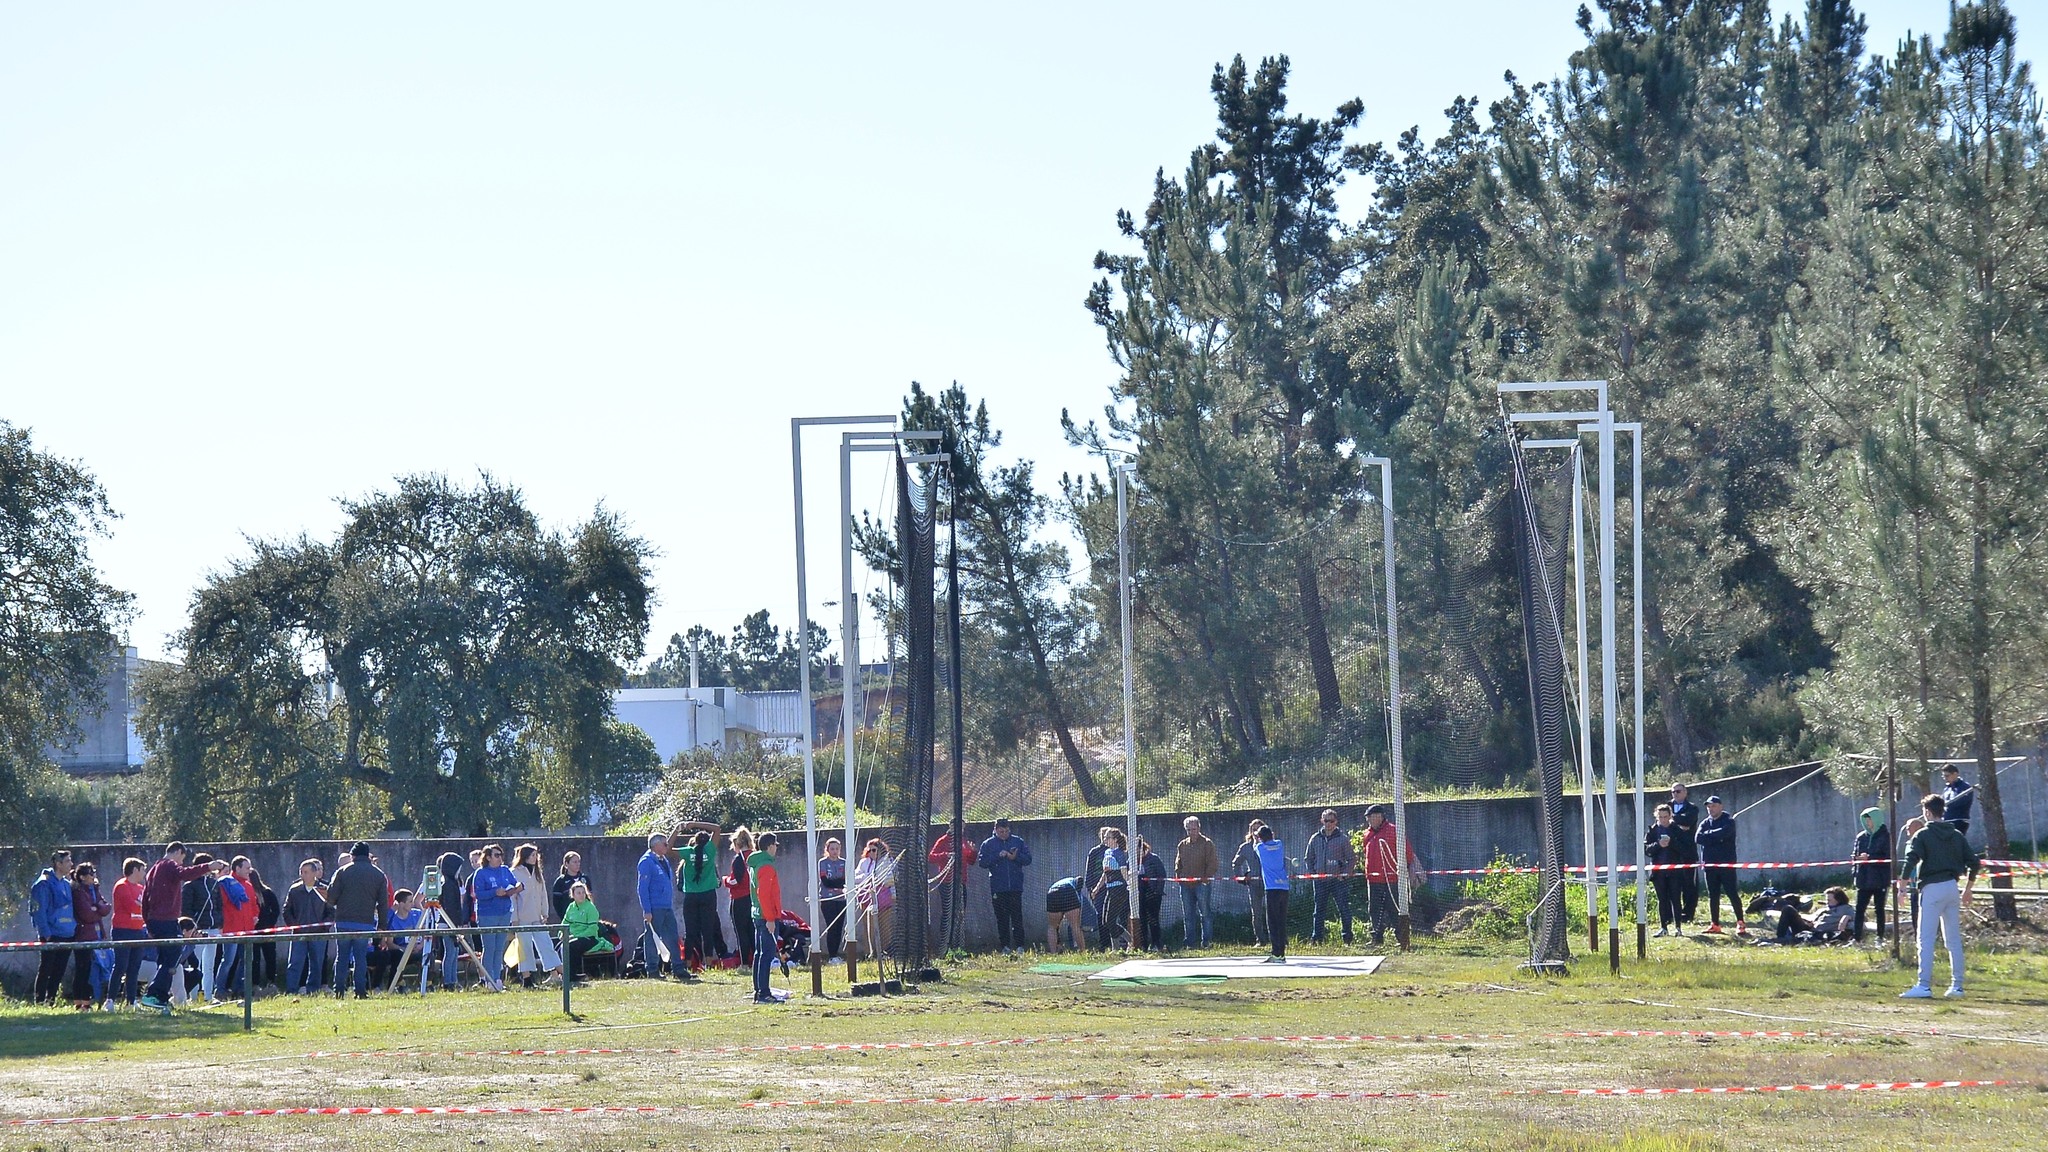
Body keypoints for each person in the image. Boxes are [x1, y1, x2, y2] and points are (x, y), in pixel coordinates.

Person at [1899, 792, 1983, 999]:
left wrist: (1901, 887)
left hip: (1932, 888)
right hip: (1952, 887)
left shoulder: (1923, 835)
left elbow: (1910, 860)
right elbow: (1974, 862)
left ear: (1927, 812)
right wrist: (1968, 888)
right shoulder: (1956, 835)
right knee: (1953, 939)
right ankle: (1957, 986)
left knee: (1925, 938)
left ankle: (1924, 985)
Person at [140, 842, 213, 1010]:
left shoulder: (153, 870)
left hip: (155, 921)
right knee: (173, 957)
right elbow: (185, 874)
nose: (181, 863)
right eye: (182, 859)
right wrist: (208, 866)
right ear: (179, 852)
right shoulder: (169, 865)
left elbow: (145, 898)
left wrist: (148, 923)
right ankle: (154, 994)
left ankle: (160, 998)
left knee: (165, 959)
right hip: (167, 920)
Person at [328, 842, 390, 999]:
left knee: (342, 957)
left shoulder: (342, 872)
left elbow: (331, 898)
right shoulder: (379, 875)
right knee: (360, 958)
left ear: (353, 855)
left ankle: (339, 991)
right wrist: (382, 926)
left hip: (343, 922)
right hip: (365, 922)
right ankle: (360, 991)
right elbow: (383, 904)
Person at [1358, 805, 1417, 948]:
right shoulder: (1367, 834)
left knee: (1394, 909)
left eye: (1370, 817)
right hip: (1373, 880)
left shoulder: (1394, 831)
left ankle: (1402, 938)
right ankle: (1377, 938)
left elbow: (1407, 852)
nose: (1368, 820)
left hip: (1392, 879)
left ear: (1379, 816)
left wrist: (1404, 870)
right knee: (1374, 909)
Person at [977, 818, 1034, 955]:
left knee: (1017, 917)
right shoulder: (988, 844)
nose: (1004, 834)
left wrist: (1015, 857)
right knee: (1001, 918)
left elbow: (1028, 859)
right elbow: (982, 862)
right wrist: (998, 856)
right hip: (998, 887)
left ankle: (1020, 946)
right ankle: (1005, 947)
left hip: (1015, 886)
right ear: (995, 830)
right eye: (1001, 831)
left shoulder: (1017, 841)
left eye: (1007, 831)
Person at [510, 844, 564, 988]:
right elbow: (513, 898)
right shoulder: (514, 872)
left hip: (537, 917)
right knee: (524, 948)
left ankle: (558, 973)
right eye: (533, 855)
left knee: (546, 945)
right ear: (525, 856)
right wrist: (514, 918)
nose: (535, 858)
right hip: (522, 917)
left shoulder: (537, 872)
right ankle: (527, 979)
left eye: (536, 855)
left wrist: (544, 912)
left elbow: (543, 894)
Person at [30, 849, 78, 1005]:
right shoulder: (43, 883)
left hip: (67, 934)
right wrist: (46, 933)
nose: (71, 864)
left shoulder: (66, 883)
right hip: (52, 934)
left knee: (59, 970)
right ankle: (39, 1001)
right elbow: (39, 910)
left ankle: (51, 1001)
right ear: (58, 864)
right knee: (46, 969)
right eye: (68, 861)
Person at [1302, 809, 1357, 945]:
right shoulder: (1315, 838)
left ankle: (1347, 938)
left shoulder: (1343, 839)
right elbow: (1308, 858)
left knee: (1343, 909)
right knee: (1318, 910)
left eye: (1331, 821)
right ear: (1322, 821)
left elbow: (1351, 859)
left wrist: (1344, 874)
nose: (1328, 824)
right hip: (1320, 881)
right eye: (1326, 820)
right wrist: (1313, 874)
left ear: (1336, 822)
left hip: (1338, 881)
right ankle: (1317, 938)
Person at [636, 832, 686, 980]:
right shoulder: (646, 862)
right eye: (664, 844)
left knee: (672, 936)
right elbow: (642, 888)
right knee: (652, 938)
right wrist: (647, 909)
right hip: (655, 907)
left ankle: (678, 968)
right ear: (655, 845)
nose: (667, 846)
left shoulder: (663, 860)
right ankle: (652, 970)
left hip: (666, 905)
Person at [1694, 796, 1746, 935]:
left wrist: (1709, 837)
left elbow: (1724, 834)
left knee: (1731, 893)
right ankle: (1715, 924)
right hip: (1709, 864)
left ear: (1720, 806)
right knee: (1713, 895)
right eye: (1709, 807)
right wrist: (1715, 837)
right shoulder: (1705, 822)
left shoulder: (1729, 821)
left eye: (1714, 806)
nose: (1711, 809)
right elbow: (1698, 838)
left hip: (1726, 864)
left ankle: (1740, 922)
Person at [676, 827, 726, 970]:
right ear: (708, 843)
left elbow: (669, 846)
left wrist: (679, 828)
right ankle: (709, 964)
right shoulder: (710, 852)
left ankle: (688, 964)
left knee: (690, 932)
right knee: (708, 930)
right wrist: (695, 823)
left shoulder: (687, 854)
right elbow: (717, 829)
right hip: (708, 895)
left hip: (690, 896)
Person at [471, 843, 517, 992]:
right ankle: (488, 979)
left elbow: (514, 883)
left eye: (501, 855)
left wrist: (517, 888)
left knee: (499, 948)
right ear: (488, 857)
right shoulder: (481, 873)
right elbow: (478, 895)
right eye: (496, 855)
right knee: (489, 948)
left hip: (504, 913)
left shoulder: (505, 870)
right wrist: (494, 892)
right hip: (487, 915)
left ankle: (497, 979)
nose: (500, 858)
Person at [283, 858, 332, 996]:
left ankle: (313, 990)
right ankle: (291, 990)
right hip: (299, 934)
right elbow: (286, 910)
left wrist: (324, 926)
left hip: (319, 934)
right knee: (295, 963)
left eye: (306, 872)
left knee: (317, 963)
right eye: (301, 872)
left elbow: (332, 911)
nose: (302, 875)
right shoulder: (295, 890)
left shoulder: (324, 890)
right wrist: (294, 925)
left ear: (314, 873)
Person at [181, 852, 224, 1003]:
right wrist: (193, 928)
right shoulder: (190, 885)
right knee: (196, 963)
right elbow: (186, 909)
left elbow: (219, 905)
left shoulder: (214, 884)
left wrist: (219, 923)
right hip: (197, 930)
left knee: (209, 965)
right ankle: (193, 996)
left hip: (212, 929)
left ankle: (208, 995)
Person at [67, 861, 110, 1009]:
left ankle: (86, 1001)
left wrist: (96, 908)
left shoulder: (94, 889)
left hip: (96, 934)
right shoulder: (78, 892)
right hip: (83, 935)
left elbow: (106, 908)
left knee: (91, 968)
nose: (94, 876)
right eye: (91, 874)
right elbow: (86, 914)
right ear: (83, 877)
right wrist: (97, 911)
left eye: (94, 873)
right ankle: (81, 1002)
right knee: (82, 968)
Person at [213, 857, 258, 1000]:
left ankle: (239, 989)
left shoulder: (249, 886)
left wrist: (255, 915)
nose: (249, 871)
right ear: (237, 868)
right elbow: (220, 906)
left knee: (245, 960)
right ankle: (219, 989)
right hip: (231, 928)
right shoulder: (225, 884)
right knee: (228, 960)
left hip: (247, 929)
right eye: (246, 868)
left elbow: (253, 905)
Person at [747, 832, 784, 1005]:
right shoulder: (766, 866)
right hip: (766, 916)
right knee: (766, 955)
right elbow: (764, 894)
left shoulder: (755, 864)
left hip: (757, 914)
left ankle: (758, 990)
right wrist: (771, 918)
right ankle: (764, 993)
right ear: (769, 846)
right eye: (775, 845)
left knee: (759, 954)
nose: (776, 848)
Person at [109, 858, 149, 1008]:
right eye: (142, 870)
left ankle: (131, 1001)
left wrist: (142, 906)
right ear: (135, 870)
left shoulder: (140, 888)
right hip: (123, 930)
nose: (144, 873)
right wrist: (141, 906)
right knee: (121, 965)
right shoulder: (121, 886)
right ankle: (110, 1000)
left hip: (138, 930)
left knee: (134, 967)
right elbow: (132, 906)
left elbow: (146, 907)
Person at [1174, 816, 1218, 950]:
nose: (1191, 832)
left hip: (1202, 884)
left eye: (1194, 829)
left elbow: (1213, 863)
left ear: (1199, 828)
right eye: (1188, 830)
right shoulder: (1182, 844)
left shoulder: (1207, 843)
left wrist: (1206, 877)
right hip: (1185, 886)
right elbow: (1178, 862)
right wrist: (1178, 876)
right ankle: (1190, 943)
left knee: (1205, 913)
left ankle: (1207, 942)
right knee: (1188, 915)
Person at [369, 889, 425, 990]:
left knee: (428, 954)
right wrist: (406, 949)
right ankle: (394, 985)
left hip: (418, 948)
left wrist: (421, 945)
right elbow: (389, 943)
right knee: (395, 955)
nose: (413, 904)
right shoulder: (392, 919)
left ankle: (427, 984)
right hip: (402, 950)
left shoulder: (417, 914)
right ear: (401, 904)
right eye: (410, 901)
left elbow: (427, 933)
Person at [1645, 804, 1687, 936]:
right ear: (1656, 817)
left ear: (1670, 816)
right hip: (1658, 871)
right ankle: (1663, 927)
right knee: (1662, 899)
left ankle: (1678, 927)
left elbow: (1685, 849)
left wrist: (1672, 843)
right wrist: (1658, 845)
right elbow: (1647, 850)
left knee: (1676, 898)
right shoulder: (1652, 831)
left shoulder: (1676, 830)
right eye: (1660, 817)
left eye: (1666, 817)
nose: (1663, 820)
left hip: (1675, 870)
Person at [561, 880, 612, 986]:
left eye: (583, 892)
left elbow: (592, 930)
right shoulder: (571, 907)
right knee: (559, 945)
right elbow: (564, 924)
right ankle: (562, 974)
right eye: (578, 893)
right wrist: (562, 935)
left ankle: (571, 975)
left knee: (572, 946)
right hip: (572, 936)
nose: (581, 895)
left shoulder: (590, 908)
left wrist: (576, 936)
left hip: (590, 938)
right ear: (573, 895)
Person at [1852, 807, 1891, 944]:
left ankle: (1880, 937)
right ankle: (1857, 938)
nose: (1868, 823)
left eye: (1870, 820)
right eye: (1866, 820)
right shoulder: (1861, 837)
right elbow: (1854, 857)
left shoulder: (1885, 836)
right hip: (1863, 879)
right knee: (1859, 909)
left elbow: (1887, 857)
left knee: (1879, 909)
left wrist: (1870, 858)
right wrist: (1856, 868)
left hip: (1880, 879)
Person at [853, 838, 896, 960]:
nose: (872, 852)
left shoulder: (888, 861)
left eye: (874, 850)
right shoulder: (864, 862)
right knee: (869, 927)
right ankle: (869, 953)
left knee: (885, 926)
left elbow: (890, 879)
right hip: (866, 897)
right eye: (869, 850)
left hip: (884, 897)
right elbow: (856, 877)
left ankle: (884, 952)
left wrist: (879, 881)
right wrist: (868, 877)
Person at [434, 847, 469, 990]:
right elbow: (450, 907)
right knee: (450, 953)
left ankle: (452, 979)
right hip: (447, 923)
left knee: (454, 953)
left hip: (452, 923)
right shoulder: (448, 885)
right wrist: (457, 924)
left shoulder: (452, 883)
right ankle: (448, 981)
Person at [1254, 825, 1291, 961]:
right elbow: (1273, 841)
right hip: (1284, 887)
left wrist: (1255, 838)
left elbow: (1255, 844)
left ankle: (1276, 952)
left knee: (1272, 922)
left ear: (1260, 838)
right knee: (1281, 921)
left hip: (1271, 888)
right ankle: (1281, 952)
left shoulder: (1260, 848)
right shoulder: (1279, 844)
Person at [1668, 783, 1702, 925]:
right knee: (1673, 883)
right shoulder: (1667, 806)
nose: (1675, 794)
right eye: (1673, 792)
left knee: (1690, 884)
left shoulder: (1692, 808)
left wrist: (1671, 819)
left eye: (1678, 791)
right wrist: (1678, 823)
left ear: (1685, 792)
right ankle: (1673, 913)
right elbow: (1663, 822)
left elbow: (1688, 822)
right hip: (1672, 852)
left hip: (1688, 851)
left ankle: (1688, 913)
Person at [1232, 820, 1270, 946]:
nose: (1256, 832)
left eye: (1258, 829)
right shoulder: (1246, 847)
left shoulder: (1271, 845)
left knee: (1272, 912)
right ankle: (1260, 940)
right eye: (1253, 829)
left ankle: (1277, 938)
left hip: (1270, 883)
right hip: (1254, 885)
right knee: (1257, 913)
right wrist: (1242, 877)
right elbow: (1236, 863)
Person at [1091, 829, 1131, 951]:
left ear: (1115, 840)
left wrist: (1129, 884)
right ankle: (1130, 941)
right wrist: (1097, 889)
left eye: (1108, 837)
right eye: (1105, 837)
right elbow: (1105, 874)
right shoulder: (1107, 852)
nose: (1105, 840)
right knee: (1105, 921)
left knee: (1110, 920)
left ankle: (1118, 947)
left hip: (1119, 889)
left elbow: (1124, 872)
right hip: (1110, 888)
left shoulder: (1119, 853)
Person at [726, 827, 757, 968]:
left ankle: (745, 963)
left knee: (741, 932)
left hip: (740, 899)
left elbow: (735, 880)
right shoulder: (756, 856)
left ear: (737, 844)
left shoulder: (739, 859)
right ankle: (757, 961)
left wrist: (725, 880)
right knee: (753, 931)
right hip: (754, 898)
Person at [248, 866, 281, 992]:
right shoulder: (247, 893)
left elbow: (276, 910)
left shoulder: (267, 892)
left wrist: (270, 924)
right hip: (252, 931)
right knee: (254, 958)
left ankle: (271, 982)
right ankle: (255, 983)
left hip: (267, 930)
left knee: (270, 957)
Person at [817, 837, 848, 962]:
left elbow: (845, 880)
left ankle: (836, 954)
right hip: (827, 899)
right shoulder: (823, 863)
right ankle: (831, 956)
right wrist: (838, 883)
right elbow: (826, 881)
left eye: (837, 849)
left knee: (839, 927)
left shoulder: (844, 863)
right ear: (827, 849)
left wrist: (838, 883)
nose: (835, 851)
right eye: (832, 849)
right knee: (832, 926)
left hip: (841, 899)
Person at [1083, 827, 1113, 949]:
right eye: (1103, 835)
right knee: (1100, 915)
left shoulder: (1113, 851)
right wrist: (1090, 888)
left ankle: (1115, 943)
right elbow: (1088, 871)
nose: (1104, 838)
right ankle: (1104, 943)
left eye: (1107, 835)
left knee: (1111, 915)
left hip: (1111, 887)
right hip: (1097, 890)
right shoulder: (1094, 851)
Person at [1135, 837, 1166, 952]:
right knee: (1141, 920)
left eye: (1136, 849)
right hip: (1139, 894)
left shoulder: (1153, 858)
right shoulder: (1132, 861)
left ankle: (1156, 944)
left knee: (1153, 919)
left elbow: (1162, 875)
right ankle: (1144, 945)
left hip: (1152, 893)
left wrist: (1157, 891)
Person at [1045, 875, 1085, 952]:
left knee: (1052, 926)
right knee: (1075, 925)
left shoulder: (1067, 880)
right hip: (1067, 890)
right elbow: (1079, 906)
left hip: (1052, 892)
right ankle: (1083, 951)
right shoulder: (1075, 888)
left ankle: (1054, 952)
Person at [550, 851, 588, 922]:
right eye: (575, 862)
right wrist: (564, 917)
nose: (578, 864)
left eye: (579, 862)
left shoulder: (585, 879)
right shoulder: (560, 881)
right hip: (569, 919)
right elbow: (556, 903)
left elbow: (590, 898)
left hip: (584, 918)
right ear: (566, 864)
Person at [1939, 765, 1975, 836]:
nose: (1945, 778)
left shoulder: (1965, 788)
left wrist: (1945, 804)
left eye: (1947, 776)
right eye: (1943, 776)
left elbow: (1959, 802)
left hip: (1959, 820)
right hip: (1946, 820)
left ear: (1955, 774)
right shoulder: (1946, 789)